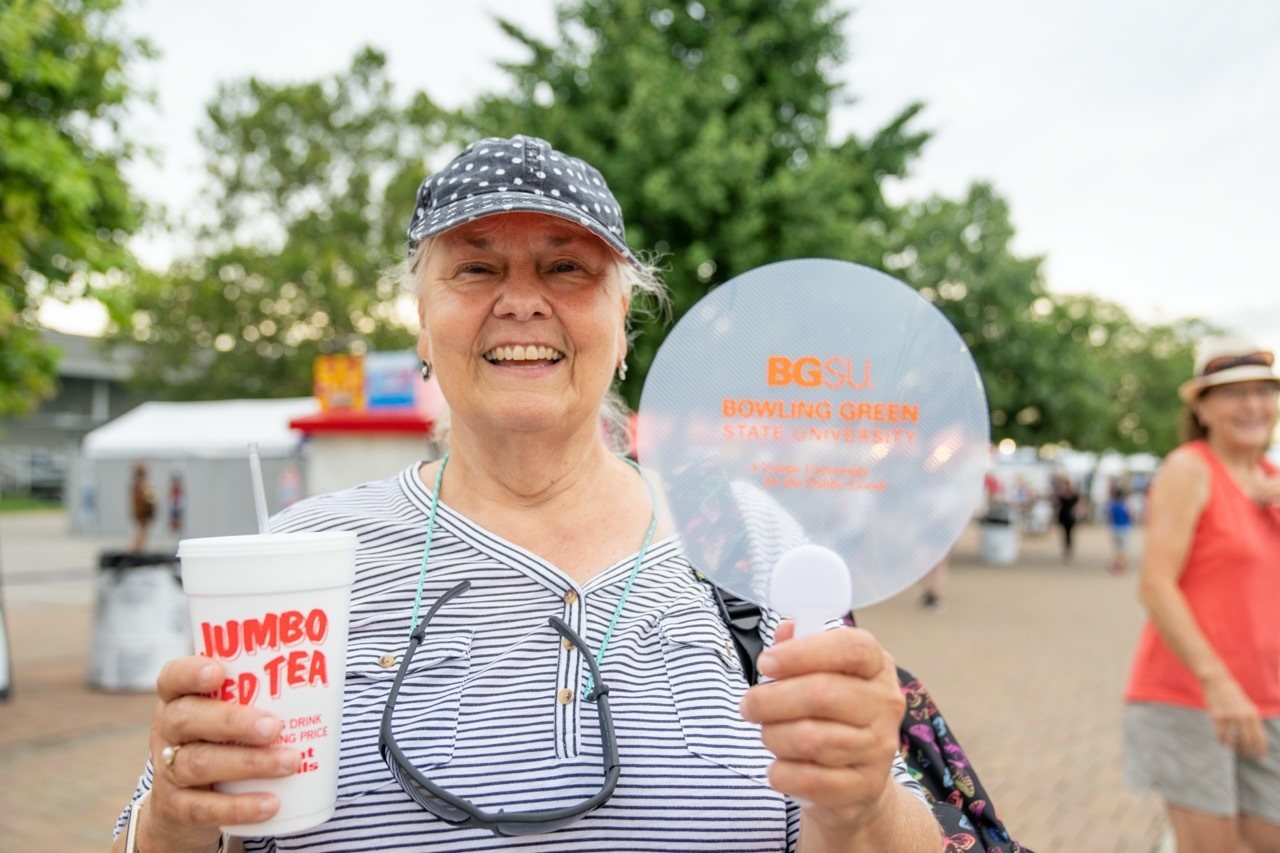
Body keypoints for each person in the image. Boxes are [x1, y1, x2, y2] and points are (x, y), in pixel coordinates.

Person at [112, 135, 941, 852]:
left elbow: (888, 829)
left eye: (566, 268)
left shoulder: (747, 536)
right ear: (422, 325)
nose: (519, 301)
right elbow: (171, 821)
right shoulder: (300, 555)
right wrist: (172, 823)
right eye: (475, 267)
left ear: (624, 326)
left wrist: (864, 798)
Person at [1123, 335, 1280, 853]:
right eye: (1235, 393)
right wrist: (1218, 684)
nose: (1253, 405)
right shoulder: (1190, 469)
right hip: (1193, 697)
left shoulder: (1271, 480)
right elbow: (1156, 585)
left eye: (1264, 391)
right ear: (1203, 407)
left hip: (1266, 699)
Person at [130, 462, 158, 552]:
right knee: (143, 530)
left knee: (143, 530)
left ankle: (139, 547)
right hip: (143, 512)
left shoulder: (136, 485)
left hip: (141, 512)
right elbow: (150, 497)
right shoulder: (141, 485)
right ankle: (137, 547)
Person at [1106, 481, 1132, 574]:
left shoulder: (1112, 505)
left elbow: (1109, 517)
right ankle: (1121, 565)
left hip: (1115, 528)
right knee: (1123, 548)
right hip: (1124, 528)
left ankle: (1115, 564)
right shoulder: (1125, 505)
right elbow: (1129, 515)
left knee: (1116, 548)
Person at [1051, 476, 1080, 561]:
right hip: (1063, 515)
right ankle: (1066, 548)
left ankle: (1069, 547)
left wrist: (1076, 510)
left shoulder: (1073, 494)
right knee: (1064, 533)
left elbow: (1079, 503)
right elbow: (1055, 503)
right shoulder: (1060, 494)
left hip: (1070, 516)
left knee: (1069, 533)